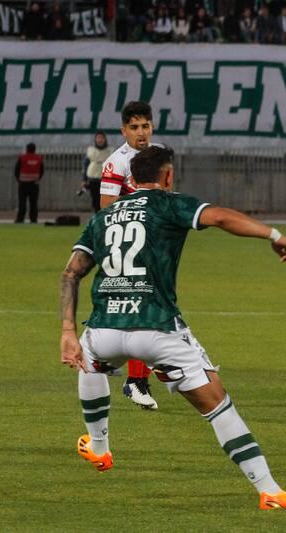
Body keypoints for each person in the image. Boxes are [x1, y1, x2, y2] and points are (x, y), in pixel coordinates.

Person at [60, 146, 286, 510]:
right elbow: (221, 218)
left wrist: (68, 331)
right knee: (218, 406)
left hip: (106, 327)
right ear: (168, 175)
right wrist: (273, 235)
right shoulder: (168, 203)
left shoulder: (105, 215)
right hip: (158, 330)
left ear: (131, 178)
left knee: (89, 356)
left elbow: (71, 272)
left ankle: (99, 448)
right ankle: (269, 490)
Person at [100, 101, 161, 409]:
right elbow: (107, 210)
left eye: (146, 126)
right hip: (128, 248)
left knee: (143, 312)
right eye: (134, 127)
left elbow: (164, 198)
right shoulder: (116, 163)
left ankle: (113, 363)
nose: (141, 133)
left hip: (155, 247)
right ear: (124, 130)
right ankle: (138, 379)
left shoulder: (161, 154)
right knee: (143, 313)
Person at [81, 132, 111, 213]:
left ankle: (105, 218)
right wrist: (84, 180)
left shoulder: (110, 151)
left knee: (106, 201)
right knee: (95, 201)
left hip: (106, 180)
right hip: (93, 179)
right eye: (98, 138)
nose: (100, 140)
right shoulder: (90, 150)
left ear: (105, 139)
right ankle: (97, 219)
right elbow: (85, 165)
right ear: (95, 139)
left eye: (102, 138)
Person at [14, 143, 43, 223]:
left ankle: (20, 219)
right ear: (34, 149)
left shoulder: (22, 158)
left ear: (27, 149)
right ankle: (33, 219)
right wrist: (37, 179)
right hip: (34, 184)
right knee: (33, 203)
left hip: (23, 184)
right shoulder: (39, 158)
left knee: (22, 203)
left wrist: (19, 180)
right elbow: (41, 171)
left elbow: (16, 170)